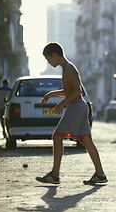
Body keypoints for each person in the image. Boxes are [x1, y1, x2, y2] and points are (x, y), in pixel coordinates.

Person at [36, 42, 107, 185]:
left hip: (76, 107)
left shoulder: (68, 69)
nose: (49, 63)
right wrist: (52, 94)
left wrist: (61, 104)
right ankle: (100, 174)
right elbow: (69, 91)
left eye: (49, 59)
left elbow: (77, 91)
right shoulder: (67, 68)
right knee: (86, 140)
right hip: (80, 107)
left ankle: (55, 175)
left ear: (55, 55)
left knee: (57, 137)